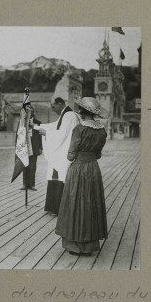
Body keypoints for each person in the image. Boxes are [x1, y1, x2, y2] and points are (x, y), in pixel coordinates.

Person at [55, 97, 109, 256]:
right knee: (90, 203)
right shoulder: (102, 130)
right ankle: (89, 245)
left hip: (78, 170)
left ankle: (75, 246)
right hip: (93, 169)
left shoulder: (79, 129)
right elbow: (98, 154)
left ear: (82, 112)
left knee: (75, 203)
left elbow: (70, 155)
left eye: (80, 109)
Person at [36, 97, 80, 183]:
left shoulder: (69, 115)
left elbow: (63, 133)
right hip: (65, 149)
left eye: (53, 107)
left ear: (59, 104)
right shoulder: (65, 114)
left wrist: (47, 134)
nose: (53, 110)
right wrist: (36, 126)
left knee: (61, 176)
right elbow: (54, 126)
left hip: (65, 151)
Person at [21, 105, 42, 191]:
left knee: (32, 167)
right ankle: (25, 184)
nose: (30, 114)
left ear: (33, 113)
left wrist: (40, 147)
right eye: (28, 112)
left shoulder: (37, 123)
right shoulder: (22, 123)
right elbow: (18, 136)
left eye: (31, 112)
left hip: (34, 147)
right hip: (25, 148)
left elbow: (40, 137)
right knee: (25, 166)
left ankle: (32, 184)